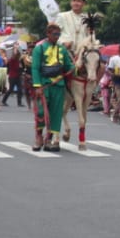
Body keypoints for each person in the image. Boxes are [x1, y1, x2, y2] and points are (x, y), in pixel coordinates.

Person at [29, 24, 71, 152]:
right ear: (48, 34)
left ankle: (49, 139)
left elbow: (68, 67)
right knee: (41, 112)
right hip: (43, 85)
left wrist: (76, 68)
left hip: (58, 85)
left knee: (56, 113)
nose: (57, 37)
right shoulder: (39, 48)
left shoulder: (62, 49)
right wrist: (37, 86)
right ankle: (38, 137)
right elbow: (35, 68)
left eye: (59, 35)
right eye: (55, 34)